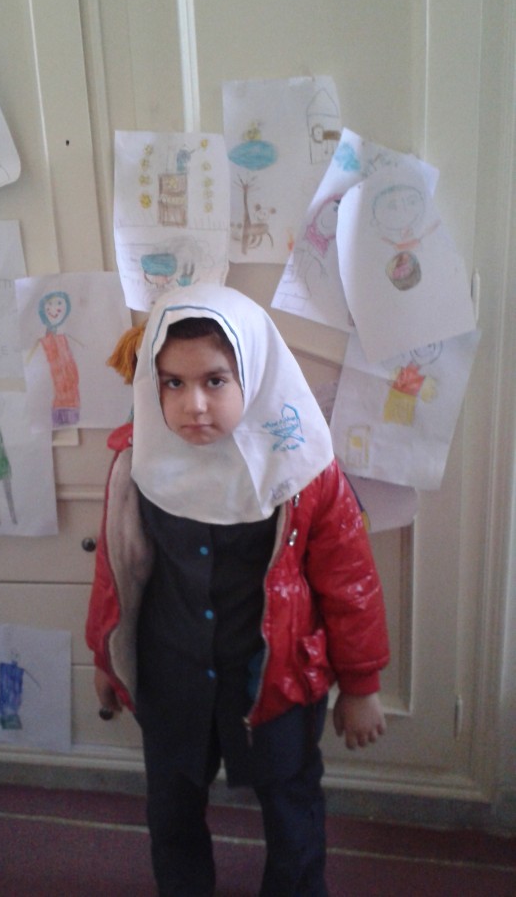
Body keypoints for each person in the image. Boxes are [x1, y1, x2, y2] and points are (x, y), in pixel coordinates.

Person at [85, 283, 389, 896]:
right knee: (171, 806)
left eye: (215, 381)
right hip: (172, 673)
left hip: (275, 678)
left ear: (253, 371)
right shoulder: (137, 462)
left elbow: (350, 584)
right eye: (173, 383)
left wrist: (361, 685)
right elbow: (118, 570)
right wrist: (105, 656)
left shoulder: (306, 469)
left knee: (291, 804)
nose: (194, 404)